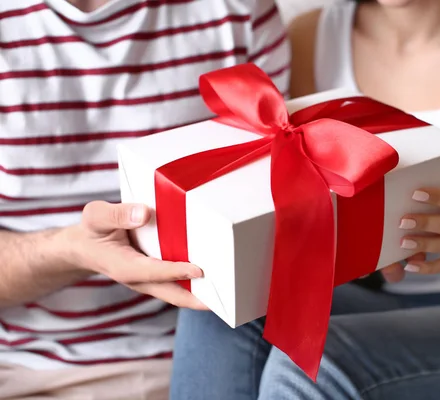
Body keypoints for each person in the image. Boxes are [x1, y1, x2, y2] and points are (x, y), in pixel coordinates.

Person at [170, 0, 440, 399]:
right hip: (377, 299)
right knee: (219, 310)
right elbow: (301, 196)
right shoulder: (314, 35)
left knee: (316, 367)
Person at [0, 0, 289, 398]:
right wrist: (71, 251)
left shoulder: (238, 10)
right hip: (25, 363)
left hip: (206, 347)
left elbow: (283, 193)